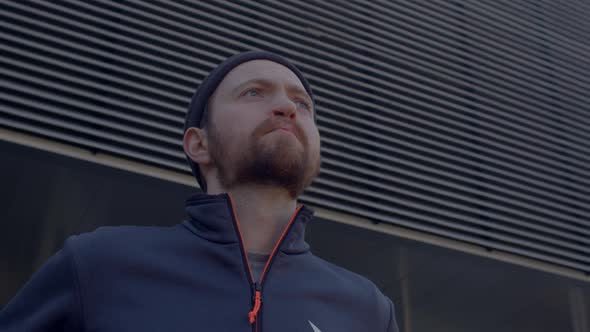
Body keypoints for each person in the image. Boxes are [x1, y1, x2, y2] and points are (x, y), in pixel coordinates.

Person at [0, 51, 400, 331]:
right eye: (254, 92)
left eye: (303, 103)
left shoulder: (368, 309)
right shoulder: (97, 265)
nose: (286, 107)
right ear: (198, 144)